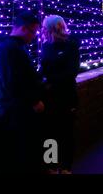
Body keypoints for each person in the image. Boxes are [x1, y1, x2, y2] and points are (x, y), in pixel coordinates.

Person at [0, 11, 44, 173]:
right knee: (21, 153)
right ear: (23, 29)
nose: (35, 36)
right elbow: (14, 82)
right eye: (33, 31)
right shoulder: (11, 49)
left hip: (15, 108)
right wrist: (34, 101)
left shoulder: (12, 46)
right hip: (16, 110)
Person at [40, 15, 80, 174]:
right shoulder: (46, 46)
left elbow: (72, 72)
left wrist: (50, 81)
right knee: (50, 132)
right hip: (51, 96)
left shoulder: (71, 44)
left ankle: (65, 166)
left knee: (66, 132)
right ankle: (52, 165)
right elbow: (44, 69)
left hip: (66, 96)